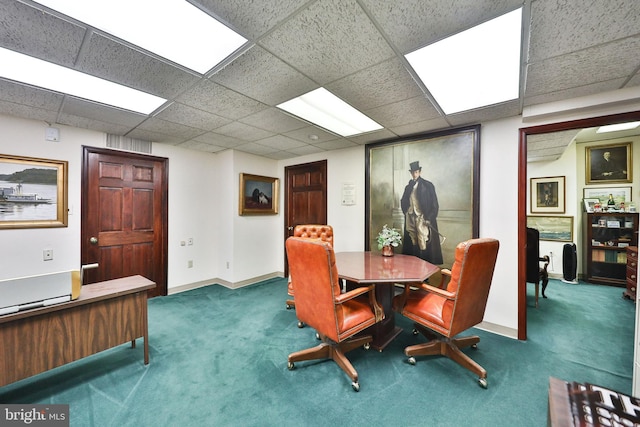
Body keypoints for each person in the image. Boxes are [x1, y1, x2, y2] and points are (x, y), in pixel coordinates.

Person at [400, 161, 443, 265]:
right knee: (412, 238)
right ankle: (415, 265)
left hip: (422, 216)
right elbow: (403, 200)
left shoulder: (427, 186)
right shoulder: (408, 186)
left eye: (416, 172)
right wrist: (406, 210)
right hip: (410, 215)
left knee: (422, 239)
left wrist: (430, 218)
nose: (414, 174)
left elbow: (434, 204)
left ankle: (423, 267)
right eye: (412, 172)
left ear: (419, 172)